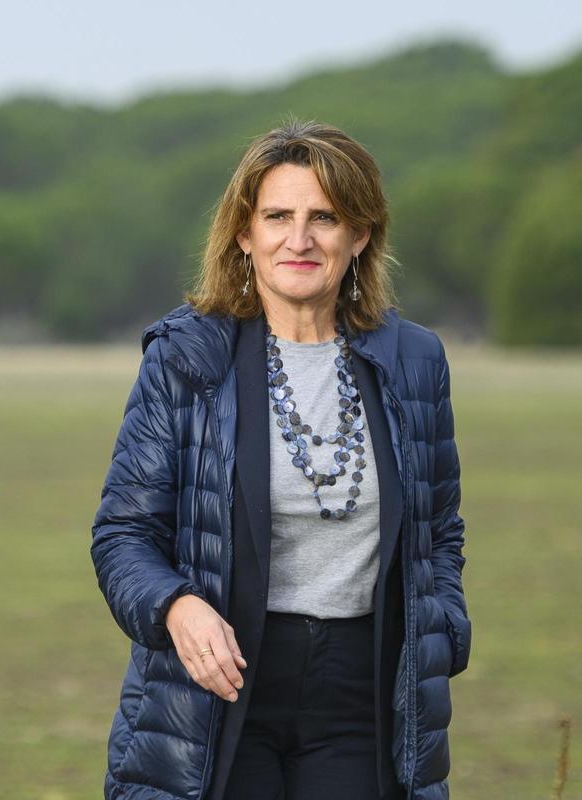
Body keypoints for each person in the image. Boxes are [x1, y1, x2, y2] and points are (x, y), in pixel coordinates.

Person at [91, 120, 470, 799]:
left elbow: (439, 529)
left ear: (360, 235)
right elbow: (123, 536)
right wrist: (178, 608)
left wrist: (443, 626)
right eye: (277, 217)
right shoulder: (187, 358)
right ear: (244, 233)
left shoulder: (416, 361)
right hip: (220, 688)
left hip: (364, 694)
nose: (300, 239)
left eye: (324, 217)